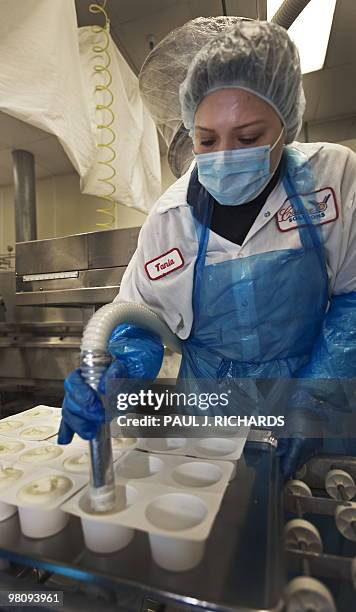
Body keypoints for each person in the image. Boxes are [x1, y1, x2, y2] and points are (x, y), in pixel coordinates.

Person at [59, 19, 356, 478]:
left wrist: (314, 401)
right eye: (207, 140)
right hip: (209, 405)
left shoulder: (331, 179)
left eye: (250, 138)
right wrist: (112, 376)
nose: (225, 155)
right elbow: (139, 320)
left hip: (313, 388)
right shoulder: (171, 218)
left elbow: (352, 301)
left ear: (286, 124)